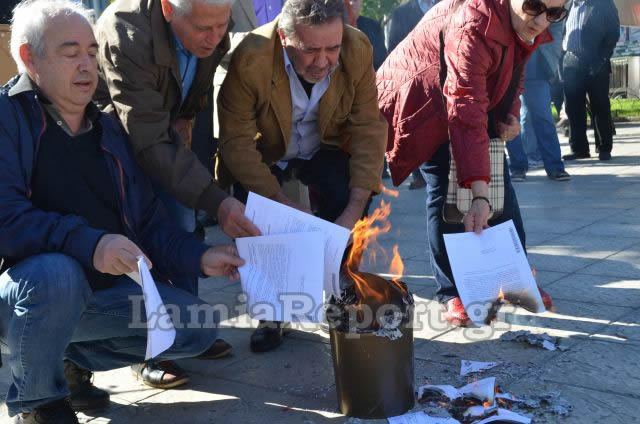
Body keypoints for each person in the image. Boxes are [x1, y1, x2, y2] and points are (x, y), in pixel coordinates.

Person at [0, 1, 245, 422]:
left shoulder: (110, 130)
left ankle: (63, 358)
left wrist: (201, 258)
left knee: (195, 327)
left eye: (93, 53)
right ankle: (38, 402)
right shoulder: (7, 118)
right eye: (70, 51)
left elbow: (149, 223)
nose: (86, 65)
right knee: (59, 274)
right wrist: (92, 243)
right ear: (29, 57)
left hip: (97, 299)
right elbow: (6, 218)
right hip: (27, 292)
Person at [94, 0, 261, 388]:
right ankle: (148, 348)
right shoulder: (126, 32)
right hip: (114, 141)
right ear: (168, 9)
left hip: (162, 137)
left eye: (222, 27)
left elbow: (196, 83)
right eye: (204, 28)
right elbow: (145, 136)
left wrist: (187, 114)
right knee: (143, 238)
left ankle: (187, 332)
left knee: (184, 223)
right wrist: (217, 200)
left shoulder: (213, 19)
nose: (215, 37)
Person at [377, 0, 562, 326]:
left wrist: (510, 114)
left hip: (468, 100)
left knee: (498, 183)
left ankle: (514, 277)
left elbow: (513, 73)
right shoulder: (473, 23)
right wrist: (477, 194)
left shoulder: (522, 23)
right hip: (425, 104)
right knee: (446, 187)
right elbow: (464, 108)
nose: (542, 19)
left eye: (555, 13)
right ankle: (452, 292)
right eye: (535, 6)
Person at [217, 0, 386, 351]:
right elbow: (236, 145)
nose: (323, 61)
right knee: (256, 213)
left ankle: (342, 292)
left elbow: (369, 129)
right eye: (310, 50)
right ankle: (271, 312)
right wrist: (282, 205)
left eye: (332, 48)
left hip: (324, 144)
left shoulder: (357, 48)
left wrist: (352, 212)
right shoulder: (251, 57)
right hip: (267, 150)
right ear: (284, 38)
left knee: (349, 191)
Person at [505, 22, 571, 182]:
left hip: (537, 66)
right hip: (511, 65)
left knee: (544, 117)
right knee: (509, 117)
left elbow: (556, 25)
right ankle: (517, 167)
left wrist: (551, 57)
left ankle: (555, 166)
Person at [385, 0, 440, 189]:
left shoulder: (452, 4)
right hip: (413, 83)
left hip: (445, 82)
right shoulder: (401, 13)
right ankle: (419, 173)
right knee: (415, 126)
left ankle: (437, 171)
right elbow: (393, 48)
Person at [561, 0, 620, 161]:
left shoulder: (603, 3)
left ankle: (604, 147)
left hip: (596, 62)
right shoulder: (567, 4)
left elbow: (613, 32)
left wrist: (602, 57)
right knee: (573, 108)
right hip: (571, 61)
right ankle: (579, 149)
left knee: (600, 105)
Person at [343, 0, 387, 70]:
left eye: (355, 0)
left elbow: (383, 63)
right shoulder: (326, 32)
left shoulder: (373, 27)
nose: (351, 3)